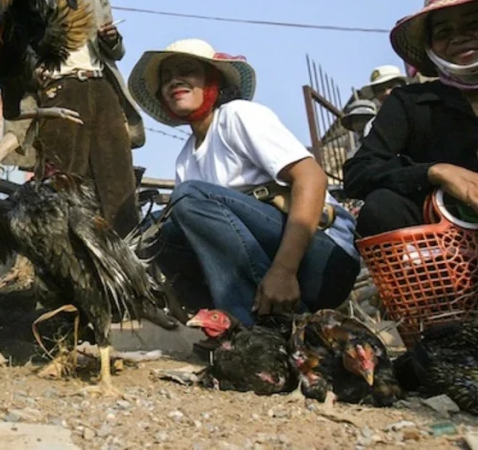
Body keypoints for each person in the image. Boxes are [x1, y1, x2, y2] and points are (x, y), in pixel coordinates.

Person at [129, 39, 360, 326]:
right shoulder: (186, 158)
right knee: (157, 227)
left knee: (188, 197)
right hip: (267, 264)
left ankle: (255, 328)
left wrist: (284, 271)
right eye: (165, 78)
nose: (174, 81)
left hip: (322, 258)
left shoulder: (238, 116)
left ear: (213, 81)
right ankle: (239, 325)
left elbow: (311, 177)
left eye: (186, 70)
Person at [15, 0, 145, 237]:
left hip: (101, 88)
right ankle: (61, 265)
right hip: (59, 92)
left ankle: (128, 266)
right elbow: (16, 56)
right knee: (62, 183)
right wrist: (35, 72)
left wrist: (113, 39)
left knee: (118, 184)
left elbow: (115, 51)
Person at [344, 0, 478, 236]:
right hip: (442, 247)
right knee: (381, 206)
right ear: (431, 45)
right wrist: (436, 172)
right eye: (444, 31)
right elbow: (359, 173)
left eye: (475, 23)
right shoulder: (409, 102)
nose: (459, 37)